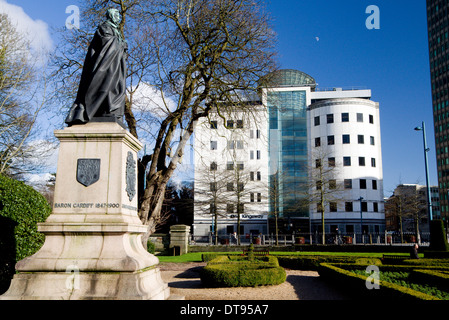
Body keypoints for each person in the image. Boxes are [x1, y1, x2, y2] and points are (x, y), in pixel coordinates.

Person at [65, 8, 128, 126]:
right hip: (106, 65)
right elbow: (107, 42)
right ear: (110, 16)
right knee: (105, 86)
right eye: (116, 15)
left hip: (115, 65)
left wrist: (122, 45)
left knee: (116, 87)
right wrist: (120, 43)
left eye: (119, 15)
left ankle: (108, 110)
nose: (118, 17)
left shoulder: (115, 29)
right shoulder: (105, 27)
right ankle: (98, 110)